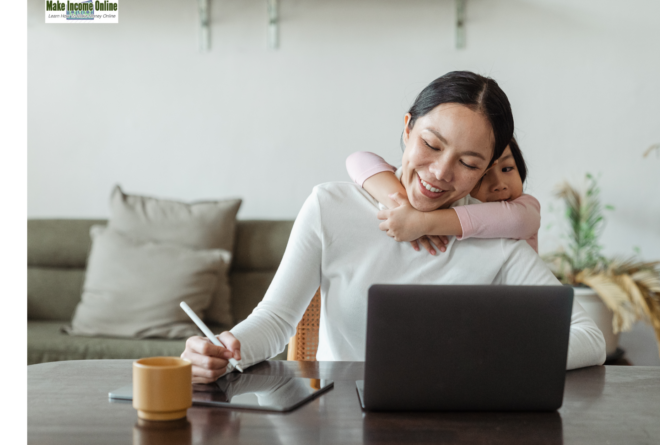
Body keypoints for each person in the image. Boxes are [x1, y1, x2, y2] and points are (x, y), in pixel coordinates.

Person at [182, 71, 606, 383]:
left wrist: (495, 357)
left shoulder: (496, 239)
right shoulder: (331, 207)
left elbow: (589, 338)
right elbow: (275, 321)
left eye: (469, 163)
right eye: (431, 144)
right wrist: (224, 348)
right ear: (406, 130)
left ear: (486, 171)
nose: (440, 173)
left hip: (456, 425)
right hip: (341, 422)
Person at [345, 136, 539, 254]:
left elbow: (518, 220)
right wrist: (402, 207)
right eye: (483, 175)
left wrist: (421, 222)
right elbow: (358, 159)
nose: (499, 185)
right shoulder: (453, 201)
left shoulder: (525, 207)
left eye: (507, 168)